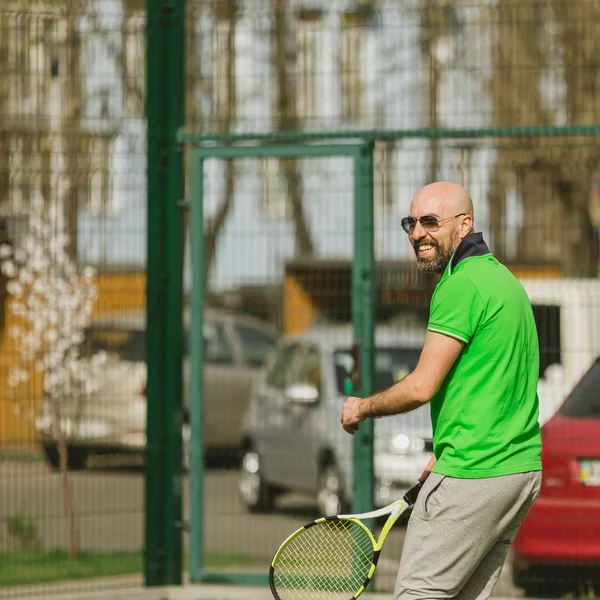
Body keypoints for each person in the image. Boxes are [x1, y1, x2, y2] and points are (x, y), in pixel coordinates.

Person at [341, 181, 542, 600]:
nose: (417, 234)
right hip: (518, 471)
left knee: (418, 593)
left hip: (475, 471)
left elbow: (420, 385)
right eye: (410, 223)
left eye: (430, 221)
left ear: (464, 224)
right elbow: (493, 385)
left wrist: (362, 406)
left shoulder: (460, 286)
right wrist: (444, 451)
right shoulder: (503, 281)